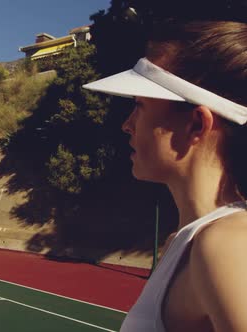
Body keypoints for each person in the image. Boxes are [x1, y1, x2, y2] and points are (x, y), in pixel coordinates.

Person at [83, 21, 247, 331]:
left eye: (140, 106)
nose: (127, 125)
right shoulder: (186, 240)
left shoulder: (227, 243)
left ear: (197, 124)